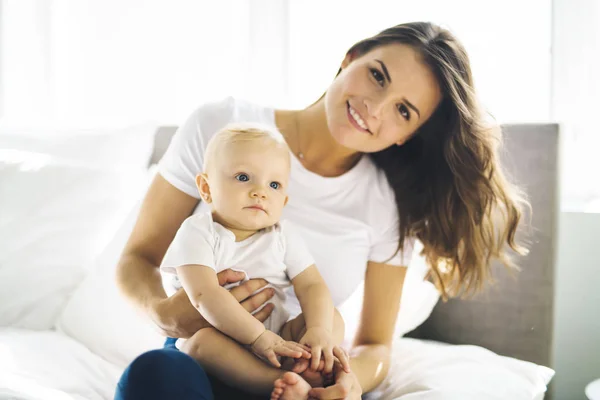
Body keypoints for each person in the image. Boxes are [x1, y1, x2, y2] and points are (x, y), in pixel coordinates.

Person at [115, 21, 527, 400]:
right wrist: (165, 314)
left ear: (409, 135)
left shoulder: (385, 204)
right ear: (350, 58)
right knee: (153, 376)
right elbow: (139, 258)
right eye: (377, 76)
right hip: (200, 350)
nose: (376, 107)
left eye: (404, 111)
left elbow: (374, 345)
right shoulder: (223, 127)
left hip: (298, 366)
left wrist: (350, 383)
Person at [159, 123, 350, 398]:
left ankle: (310, 364)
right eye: (243, 177)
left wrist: (318, 330)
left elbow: (311, 285)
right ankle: (274, 382)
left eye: (273, 184)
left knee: (332, 317)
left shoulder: (283, 235)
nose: (260, 191)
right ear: (206, 187)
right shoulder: (198, 231)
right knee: (201, 343)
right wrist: (258, 338)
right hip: (222, 339)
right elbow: (204, 294)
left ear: (283, 202)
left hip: (280, 337)